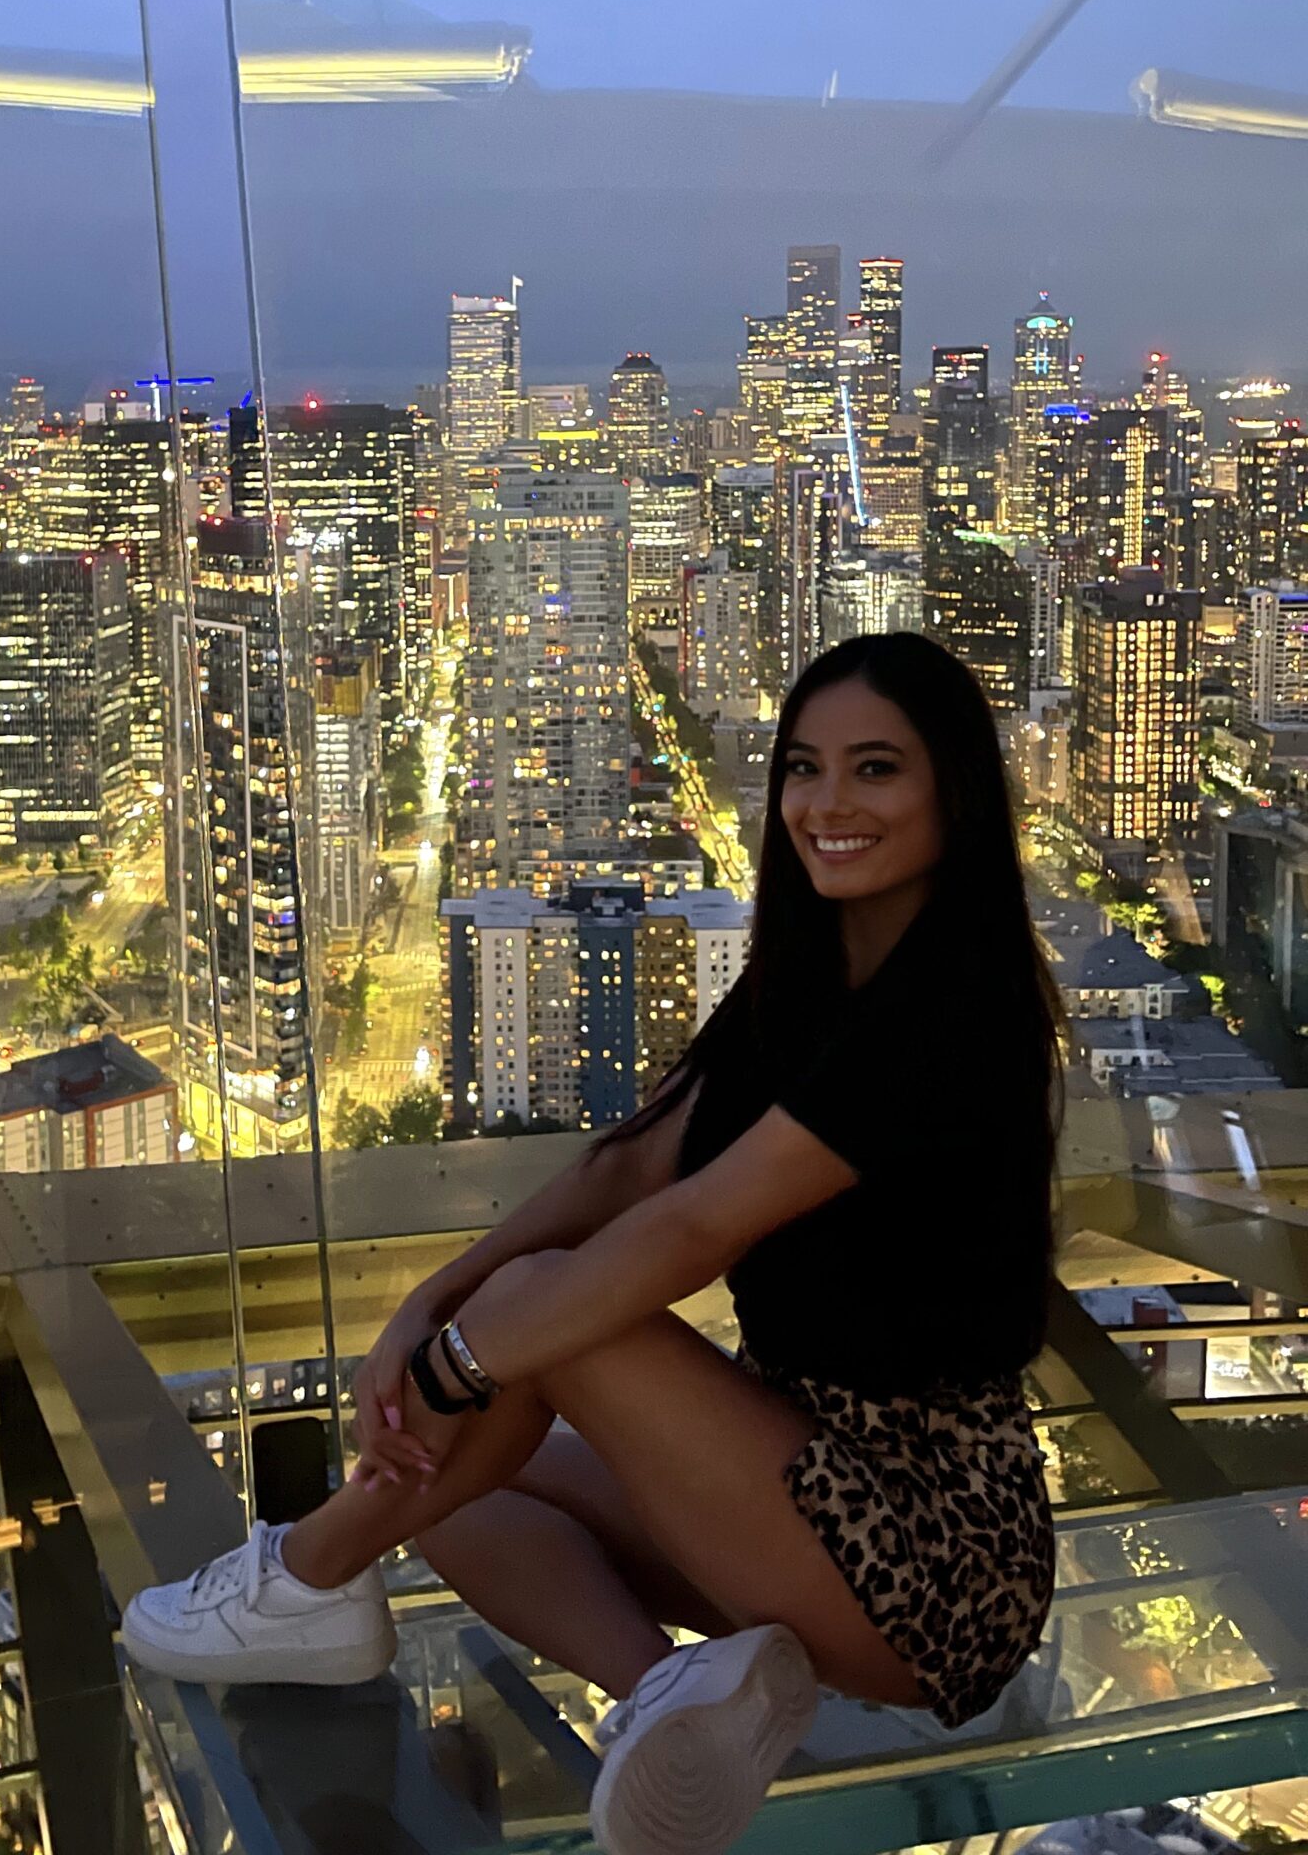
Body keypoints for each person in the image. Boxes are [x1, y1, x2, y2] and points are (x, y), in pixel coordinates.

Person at [123, 633, 1063, 1855]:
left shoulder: (949, 1009)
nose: (827, 805)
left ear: (953, 790)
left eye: (875, 769)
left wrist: (469, 1354)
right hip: (792, 1498)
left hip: (933, 1557)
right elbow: (630, 1162)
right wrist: (430, 1305)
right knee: (450, 1481)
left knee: (552, 1329)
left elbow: (688, 1225)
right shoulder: (807, 979)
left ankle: (299, 1576)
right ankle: (671, 1691)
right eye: (803, 769)